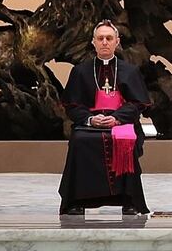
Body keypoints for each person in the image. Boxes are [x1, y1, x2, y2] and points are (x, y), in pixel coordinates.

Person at [58, 20, 151, 216]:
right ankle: (77, 201)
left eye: (109, 38)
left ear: (117, 42)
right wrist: (91, 119)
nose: (105, 42)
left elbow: (137, 103)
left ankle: (128, 200)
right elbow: (72, 105)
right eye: (100, 38)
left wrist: (117, 118)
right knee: (81, 140)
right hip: (90, 124)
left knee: (125, 140)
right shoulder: (80, 71)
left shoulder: (130, 71)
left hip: (121, 123)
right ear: (93, 42)